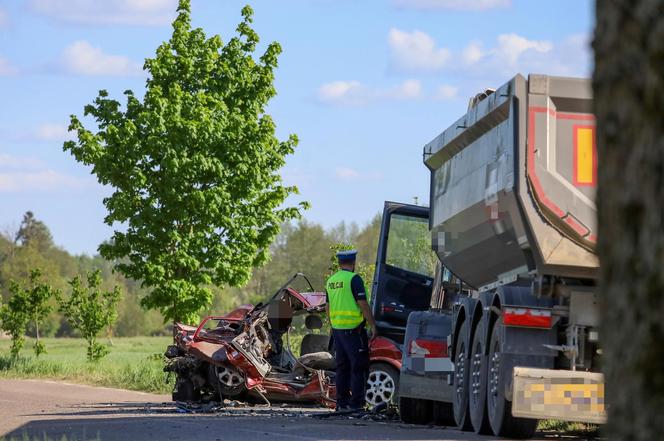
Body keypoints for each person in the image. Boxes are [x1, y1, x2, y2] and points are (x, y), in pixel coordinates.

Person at [325, 249, 377, 412]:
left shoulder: (331, 281)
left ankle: (341, 403)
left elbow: (327, 307)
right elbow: (363, 304)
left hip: (338, 331)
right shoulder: (354, 279)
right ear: (353, 263)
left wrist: (333, 325)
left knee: (342, 368)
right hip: (354, 330)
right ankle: (356, 405)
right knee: (358, 367)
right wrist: (373, 325)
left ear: (340, 263)